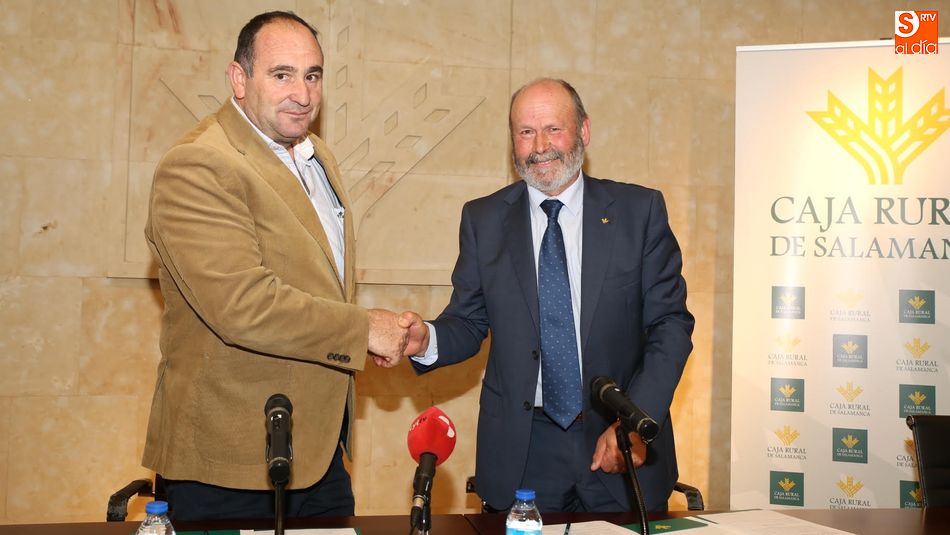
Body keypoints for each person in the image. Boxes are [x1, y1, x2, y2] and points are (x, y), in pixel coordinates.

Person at [142, 11, 408, 521]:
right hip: (227, 466)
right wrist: (363, 330)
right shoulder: (198, 165)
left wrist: (382, 330)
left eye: (313, 75)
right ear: (239, 79)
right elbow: (242, 306)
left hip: (319, 456)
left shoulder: (316, 155)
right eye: (282, 74)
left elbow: (316, 282)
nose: (302, 94)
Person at [404, 78, 694, 513]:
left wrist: (634, 420)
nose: (540, 146)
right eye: (525, 132)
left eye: (553, 129)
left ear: (584, 131)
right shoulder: (483, 220)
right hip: (524, 452)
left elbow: (670, 325)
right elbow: (467, 321)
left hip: (617, 440)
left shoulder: (639, 212)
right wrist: (425, 339)